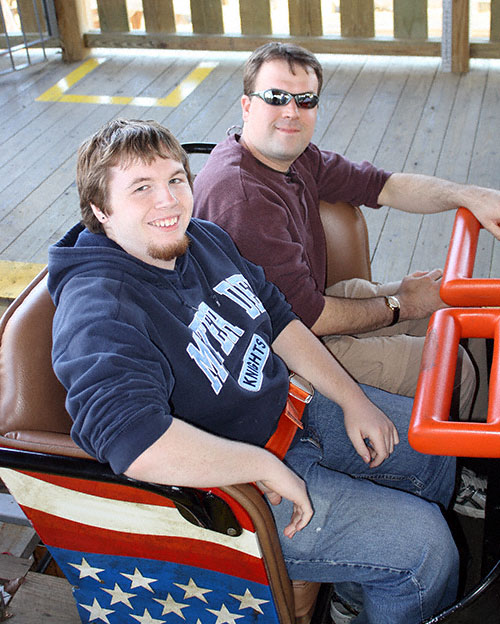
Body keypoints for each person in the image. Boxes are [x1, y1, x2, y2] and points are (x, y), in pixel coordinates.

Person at [48, 118, 459, 624]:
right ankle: (396, 574)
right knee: (426, 549)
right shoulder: (99, 308)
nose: (169, 201)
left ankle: (358, 593)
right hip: (226, 489)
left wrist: (354, 400)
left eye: (177, 179)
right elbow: (133, 441)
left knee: (433, 448)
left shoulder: (201, 240)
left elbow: (279, 320)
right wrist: (261, 467)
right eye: (141, 188)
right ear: (100, 211)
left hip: (287, 415)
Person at [192, 42, 500, 423]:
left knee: (454, 306)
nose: (292, 111)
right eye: (276, 97)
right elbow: (309, 319)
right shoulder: (242, 198)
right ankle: (460, 470)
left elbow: (381, 185)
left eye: (306, 100)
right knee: (453, 366)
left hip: (309, 309)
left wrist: (468, 195)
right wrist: (402, 304)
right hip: (278, 354)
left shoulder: (294, 157)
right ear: (247, 105)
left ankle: (488, 434)